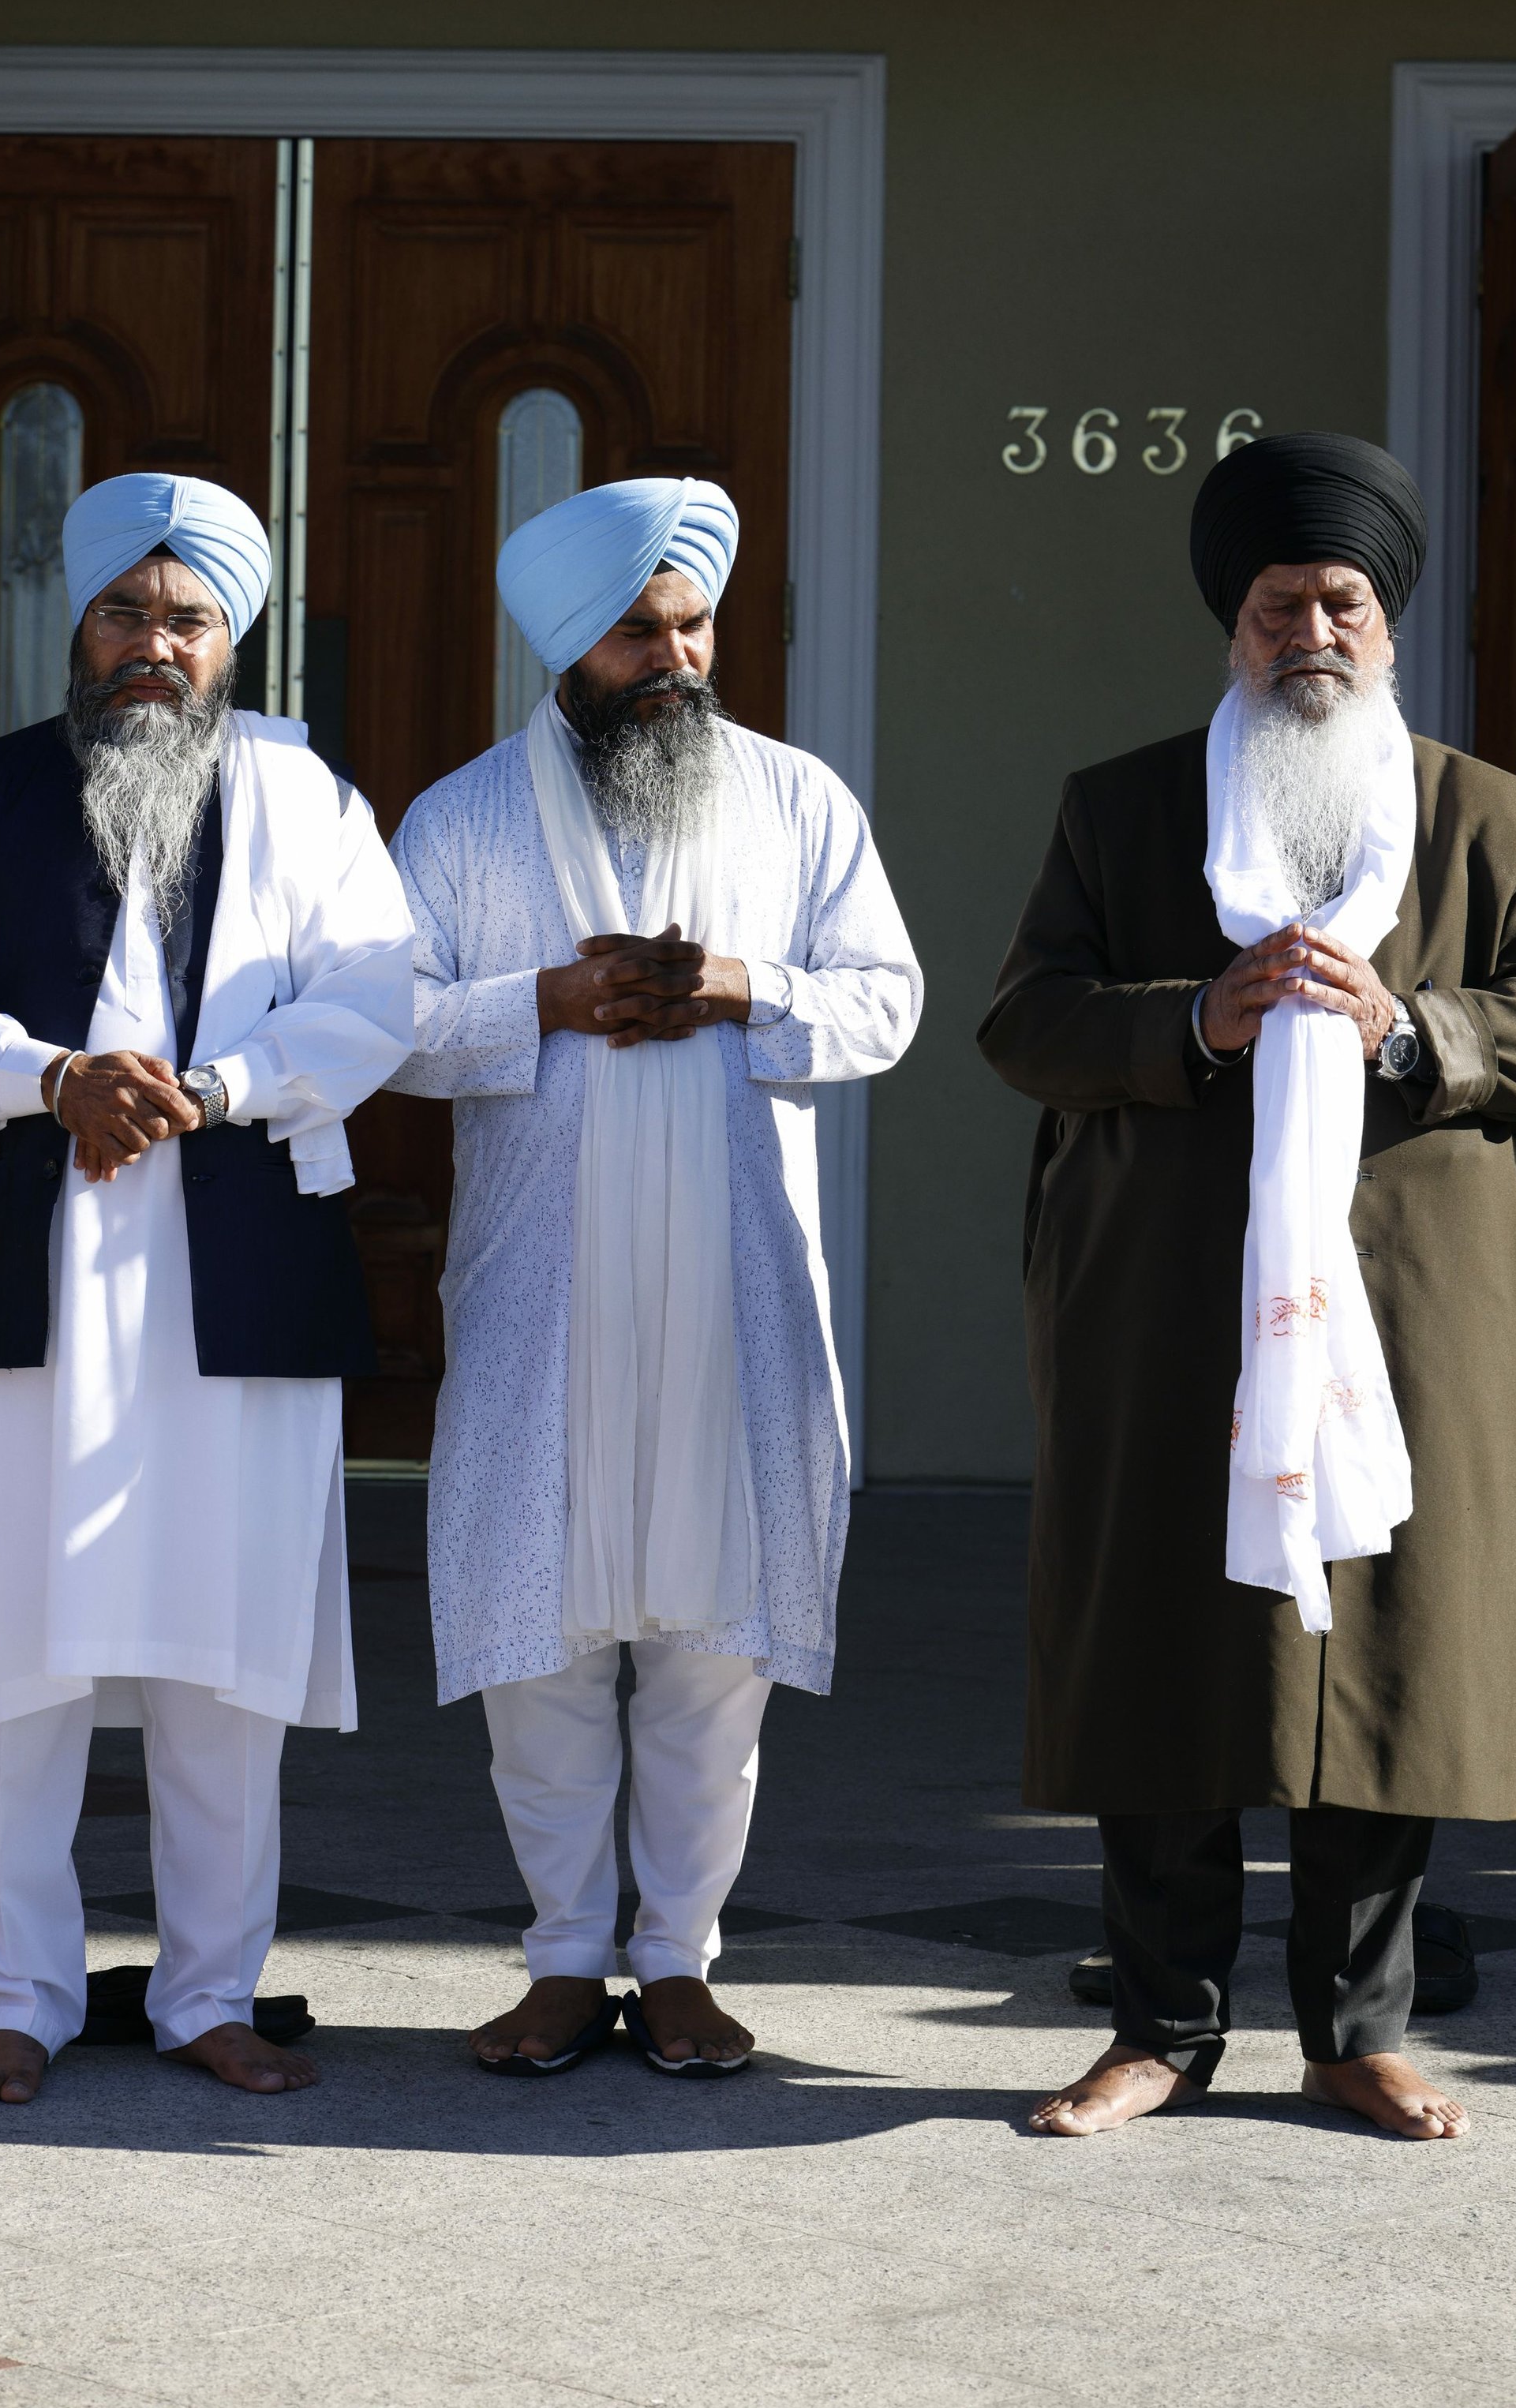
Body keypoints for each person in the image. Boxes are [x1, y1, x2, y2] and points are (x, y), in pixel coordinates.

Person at [979, 431, 1516, 2140]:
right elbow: (1024, 1023)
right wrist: (1199, 1015)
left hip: (1406, 1303)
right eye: (1278, 604)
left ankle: (1355, 2027)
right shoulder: (1121, 807)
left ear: (1385, 629)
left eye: (1340, 600)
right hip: (1166, 1300)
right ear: (1232, 628)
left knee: (1385, 1656)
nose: (1308, 631)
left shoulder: (1480, 813)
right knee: (1163, 1648)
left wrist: (1404, 1023)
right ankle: (1157, 2031)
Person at [0, 472, 414, 2105]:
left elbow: (374, 995)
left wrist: (218, 1085)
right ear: (75, 620)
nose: (153, 646)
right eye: (125, 611)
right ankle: (11, 1995)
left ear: (230, 636)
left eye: (187, 619)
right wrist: (53, 1079)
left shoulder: (310, 804)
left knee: (224, 1656)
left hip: (230, 1265)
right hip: (31, 1273)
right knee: (16, 1660)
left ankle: (207, 1994)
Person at [390, 477, 920, 2073]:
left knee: (712, 1639)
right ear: (569, 642)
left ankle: (677, 1954)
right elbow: (380, 1019)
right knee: (541, 1631)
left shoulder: (794, 799)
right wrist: (541, 998)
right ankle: (561, 1954)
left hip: (730, 1287)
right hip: (539, 1288)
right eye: (641, 631)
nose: (677, 655)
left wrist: (746, 987)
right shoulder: (462, 816)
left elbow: (884, 1002)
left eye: (694, 624)